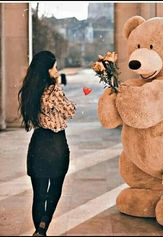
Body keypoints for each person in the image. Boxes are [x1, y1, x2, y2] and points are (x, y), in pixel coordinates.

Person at [18, 50, 76, 236]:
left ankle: (39, 231)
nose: (57, 70)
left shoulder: (30, 89)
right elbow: (70, 111)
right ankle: (43, 227)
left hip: (38, 144)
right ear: (48, 69)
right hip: (56, 144)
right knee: (55, 189)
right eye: (55, 66)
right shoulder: (53, 90)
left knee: (39, 194)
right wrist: (58, 85)